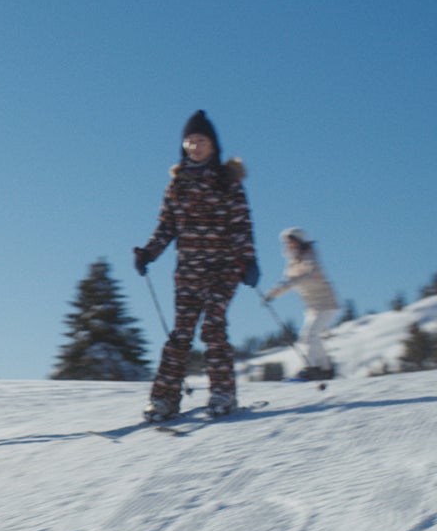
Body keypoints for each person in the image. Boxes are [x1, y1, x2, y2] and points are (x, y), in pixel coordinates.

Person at [132, 110, 257, 421]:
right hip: (188, 271)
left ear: (213, 145)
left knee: (213, 326)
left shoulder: (227, 181)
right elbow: (166, 227)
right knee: (181, 334)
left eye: (200, 140)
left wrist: (248, 259)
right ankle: (164, 400)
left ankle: (223, 393)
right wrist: (148, 253)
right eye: (189, 141)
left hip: (223, 268)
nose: (194, 146)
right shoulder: (177, 185)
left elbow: (241, 225)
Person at [265, 227, 340, 379]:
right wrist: (273, 294)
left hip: (326, 305)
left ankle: (313, 367)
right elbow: (286, 281)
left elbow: (306, 274)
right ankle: (325, 369)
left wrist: (284, 287)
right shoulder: (293, 262)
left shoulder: (310, 257)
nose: (289, 245)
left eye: (291, 242)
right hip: (314, 308)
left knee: (310, 336)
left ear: (300, 242)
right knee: (309, 337)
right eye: (287, 243)